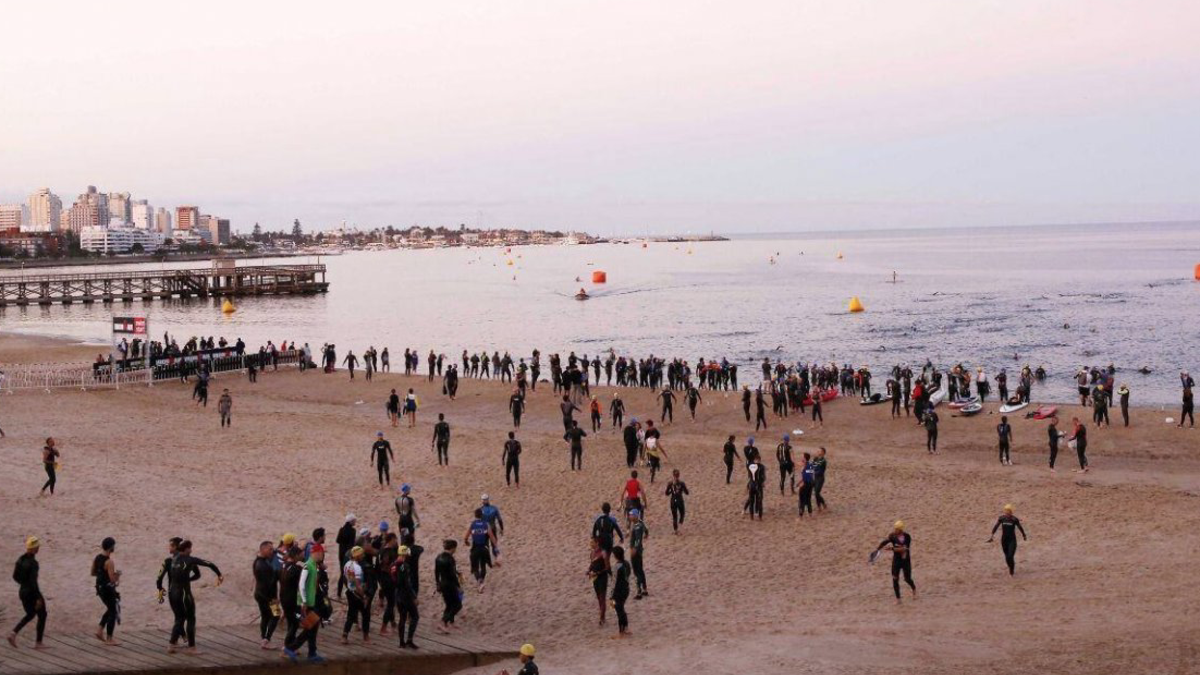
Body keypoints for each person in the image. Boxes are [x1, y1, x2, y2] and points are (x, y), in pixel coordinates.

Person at [167, 540, 224, 654]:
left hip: (172, 592)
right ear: (187, 548)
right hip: (184, 593)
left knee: (179, 618)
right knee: (191, 618)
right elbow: (208, 563)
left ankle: (172, 645)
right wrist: (219, 575)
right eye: (190, 548)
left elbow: (196, 574)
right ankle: (191, 648)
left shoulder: (174, 559)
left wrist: (188, 579)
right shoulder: (190, 559)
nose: (191, 550)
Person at [283, 543, 326, 663]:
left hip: (311, 602)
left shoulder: (314, 566)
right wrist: (304, 601)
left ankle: (312, 653)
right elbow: (301, 585)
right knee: (311, 627)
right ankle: (291, 648)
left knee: (313, 627)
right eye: (322, 554)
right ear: (316, 553)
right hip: (306, 603)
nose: (322, 556)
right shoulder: (308, 566)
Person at [7, 537, 46, 649]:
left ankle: (13, 633)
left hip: (22, 591)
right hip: (32, 592)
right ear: (34, 548)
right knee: (42, 614)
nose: (38, 548)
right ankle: (38, 643)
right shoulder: (33, 563)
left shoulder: (20, 559)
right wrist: (38, 597)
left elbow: (15, 577)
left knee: (30, 614)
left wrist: (23, 583)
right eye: (37, 547)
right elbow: (34, 582)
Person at [873, 521, 916, 604]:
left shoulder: (907, 537)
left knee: (907, 579)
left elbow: (904, 549)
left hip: (905, 560)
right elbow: (885, 542)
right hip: (896, 561)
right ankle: (898, 599)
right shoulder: (892, 536)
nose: (895, 530)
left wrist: (892, 549)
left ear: (900, 529)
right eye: (895, 528)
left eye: (897, 529)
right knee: (895, 578)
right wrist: (878, 549)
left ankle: (914, 589)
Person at [92, 537, 121, 645]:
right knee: (113, 611)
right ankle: (109, 638)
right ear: (111, 547)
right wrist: (117, 575)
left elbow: (93, 572)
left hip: (99, 587)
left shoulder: (97, 558)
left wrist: (102, 574)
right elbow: (112, 580)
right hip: (107, 589)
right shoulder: (109, 562)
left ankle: (100, 630)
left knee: (110, 608)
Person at [252, 541, 279, 649]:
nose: (272, 551)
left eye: (272, 549)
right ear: (262, 550)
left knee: (265, 616)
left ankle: (264, 639)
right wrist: (274, 599)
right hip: (267, 596)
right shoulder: (264, 566)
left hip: (259, 593)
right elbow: (269, 584)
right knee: (276, 615)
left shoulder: (258, 561)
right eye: (270, 549)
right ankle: (266, 640)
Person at [987, 504, 1028, 576]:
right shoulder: (1002, 518)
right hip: (1004, 540)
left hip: (1012, 540)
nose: (1007, 512)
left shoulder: (1014, 519)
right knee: (1006, 556)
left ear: (1011, 511)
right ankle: (1010, 567)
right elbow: (996, 526)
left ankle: (1012, 570)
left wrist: (1024, 535)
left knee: (1010, 556)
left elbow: (1020, 527)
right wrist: (992, 535)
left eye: (1008, 511)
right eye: (1006, 511)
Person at [392, 545, 419, 649]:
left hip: (397, 594)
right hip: (406, 595)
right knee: (415, 616)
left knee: (402, 618)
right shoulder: (405, 566)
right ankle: (409, 640)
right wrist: (414, 597)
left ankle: (401, 642)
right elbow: (407, 583)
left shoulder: (393, 565)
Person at [341, 547, 370, 643]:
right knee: (365, 614)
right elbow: (358, 585)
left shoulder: (347, 564)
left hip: (349, 591)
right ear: (357, 556)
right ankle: (366, 637)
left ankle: (344, 635)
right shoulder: (357, 568)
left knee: (351, 614)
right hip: (357, 593)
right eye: (362, 554)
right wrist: (364, 596)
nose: (363, 556)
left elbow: (345, 578)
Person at [434, 540, 463, 634]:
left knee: (449, 604)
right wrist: (458, 586)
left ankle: (450, 622)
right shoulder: (450, 559)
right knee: (458, 605)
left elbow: (436, 572)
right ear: (453, 548)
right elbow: (452, 574)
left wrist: (437, 584)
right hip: (450, 584)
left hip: (442, 583)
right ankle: (443, 622)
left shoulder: (438, 557)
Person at [466, 509, 497, 592]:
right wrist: (496, 548)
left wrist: (466, 542)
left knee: (475, 568)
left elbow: (465, 537)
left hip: (475, 549)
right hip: (484, 548)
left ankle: (479, 581)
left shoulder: (472, 524)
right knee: (483, 566)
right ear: (482, 515)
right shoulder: (485, 524)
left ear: (475, 515)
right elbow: (492, 537)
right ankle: (482, 581)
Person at [587, 539, 610, 626]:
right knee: (598, 597)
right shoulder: (592, 553)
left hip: (602, 577)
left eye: (592, 542)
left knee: (602, 597)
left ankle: (602, 618)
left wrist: (598, 572)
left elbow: (607, 567)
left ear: (597, 543)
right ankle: (602, 614)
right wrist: (589, 570)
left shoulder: (603, 553)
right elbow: (592, 564)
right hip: (594, 578)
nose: (590, 544)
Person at [610, 545, 632, 637]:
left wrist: (611, 594)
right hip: (626, 589)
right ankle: (626, 628)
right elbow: (629, 574)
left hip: (618, 591)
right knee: (621, 608)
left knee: (619, 610)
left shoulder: (616, 566)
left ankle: (621, 631)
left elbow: (614, 582)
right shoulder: (627, 563)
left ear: (615, 555)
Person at [335, 515, 356, 599]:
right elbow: (352, 544)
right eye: (354, 521)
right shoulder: (353, 531)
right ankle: (350, 590)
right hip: (348, 554)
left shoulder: (341, 529)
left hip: (341, 553)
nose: (355, 522)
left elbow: (337, 540)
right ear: (351, 521)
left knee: (342, 573)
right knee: (349, 572)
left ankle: (339, 592)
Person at [664, 469, 689, 534]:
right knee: (682, 513)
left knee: (674, 516)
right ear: (679, 475)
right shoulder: (682, 483)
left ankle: (675, 530)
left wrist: (671, 492)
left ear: (673, 475)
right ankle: (680, 528)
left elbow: (666, 493)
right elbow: (687, 492)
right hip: (680, 500)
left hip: (673, 500)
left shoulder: (670, 483)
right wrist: (682, 490)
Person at [798, 452, 815, 517]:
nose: (801, 458)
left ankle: (801, 514)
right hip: (810, 484)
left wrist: (802, 483)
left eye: (802, 457)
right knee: (808, 498)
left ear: (804, 458)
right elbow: (810, 475)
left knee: (802, 499)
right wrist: (799, 482)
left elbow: (806, 476)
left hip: (806, 484)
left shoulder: (805, 466)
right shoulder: (810, 465)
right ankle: (810, 513)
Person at [812, 447, 829, 511]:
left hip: (820, 479)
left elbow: (821, 471)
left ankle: (822, 505)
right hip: (815, 478)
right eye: (817, 450)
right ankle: (820, 505)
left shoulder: (823, 461)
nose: (818, 452)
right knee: (816, 493)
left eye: (819, 451)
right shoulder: (815, 459)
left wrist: (814, 471)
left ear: (823, 453)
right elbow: (812, 467)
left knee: (816, 492)